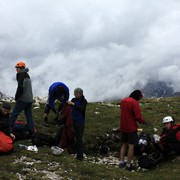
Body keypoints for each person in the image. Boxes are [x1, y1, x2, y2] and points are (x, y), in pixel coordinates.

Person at [119, 90, 147, 171]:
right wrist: (143, 122)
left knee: (123, 144)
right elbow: (138, 116)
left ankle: (121, 162)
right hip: (131, 128)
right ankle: (128, 164)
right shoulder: (134, 103)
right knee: (131, 146)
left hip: (123, 126)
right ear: (137, 96)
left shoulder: (123, 100)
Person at [10, 61, 35, 142]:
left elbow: (20, 88)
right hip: (29, 99)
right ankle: (31, 132)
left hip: (23, 99)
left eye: (17, 68)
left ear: (21, 68)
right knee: (29, 116)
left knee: (14, 113)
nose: (16, 70)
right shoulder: (27, 75)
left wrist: (17, 97)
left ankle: (8, 129)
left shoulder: (21, 75)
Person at [67, 87, 87, 161]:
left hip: (80, 122)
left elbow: (81, 109)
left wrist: (73, 104)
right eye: (75, 94)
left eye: (77, 94)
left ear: (80, 94)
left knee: (79, 139)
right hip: (73, 121)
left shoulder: (84, 101)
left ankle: (80, 156)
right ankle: (72, 152)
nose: (75, 95)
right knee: (72, 137)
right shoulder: (74, 100)